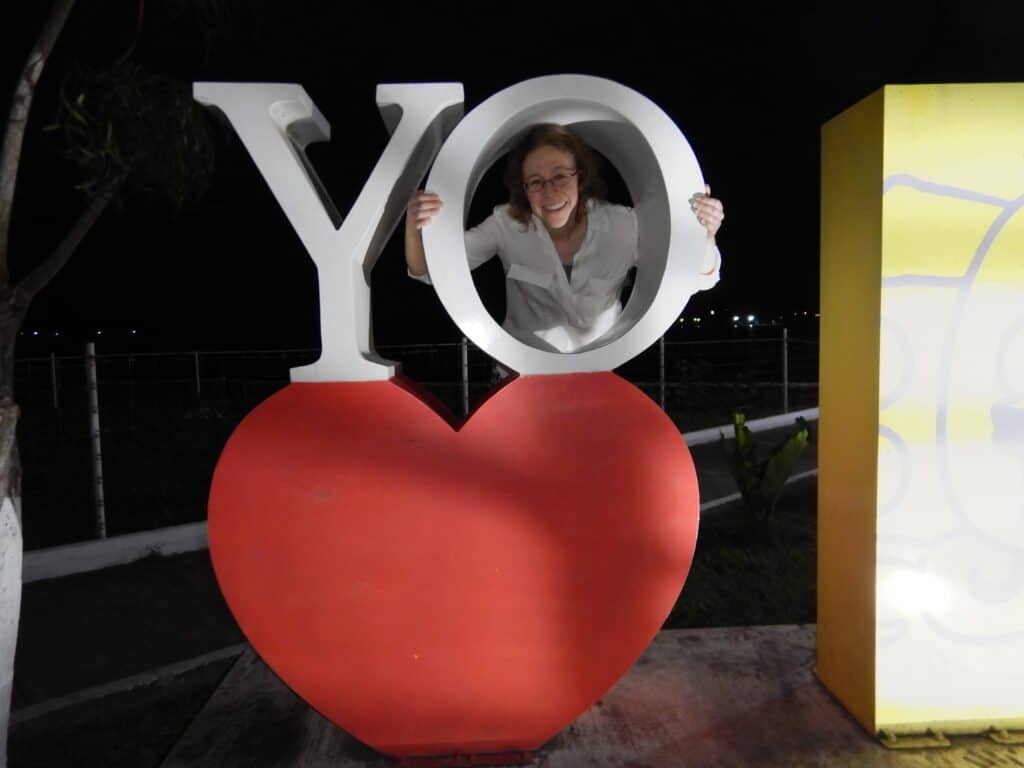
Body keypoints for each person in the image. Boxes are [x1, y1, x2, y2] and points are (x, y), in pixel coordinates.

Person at [405, 123, 723, 353]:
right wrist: (414, 223)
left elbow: (698, 278)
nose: (549, 191)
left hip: (600, 374)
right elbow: (430, 272)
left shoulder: (625, 225)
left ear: (580, 178)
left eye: (559, 176)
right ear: (523, 189)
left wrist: (705, 234)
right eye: (535, 182)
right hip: (521, 375)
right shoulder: (505, 224)